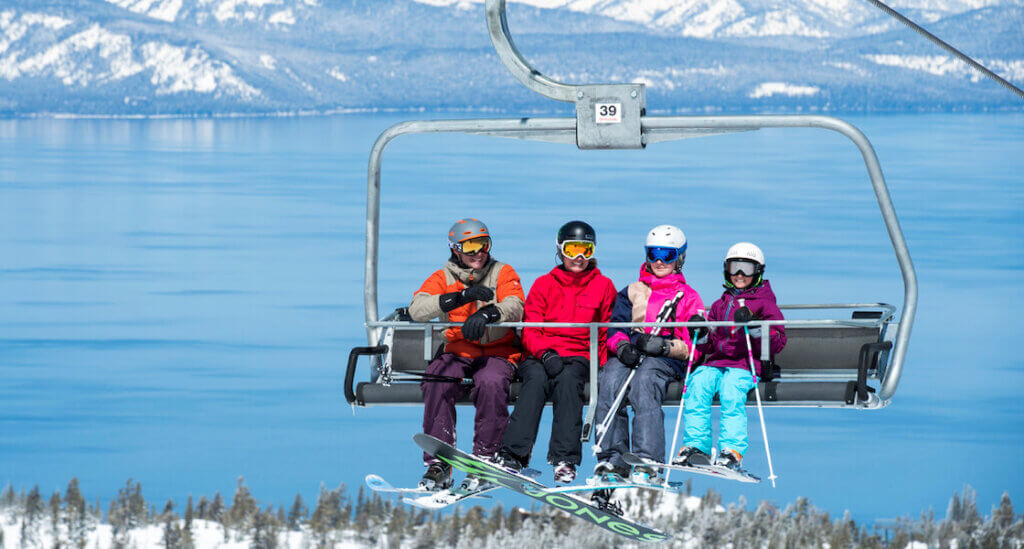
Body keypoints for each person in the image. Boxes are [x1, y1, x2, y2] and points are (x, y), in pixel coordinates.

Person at [494, 221, 617, 484]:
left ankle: (565, 459)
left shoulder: (603, 286)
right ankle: (513, 454)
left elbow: (605, 331)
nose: (579, 257)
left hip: (578, 355)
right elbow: (530, 329)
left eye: (586, 250)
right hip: (542, 353)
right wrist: (545, 354)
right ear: (561, 250)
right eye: (573, 250)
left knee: (569, 382)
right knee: (536, 380)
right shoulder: (544, 284)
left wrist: (602, 367)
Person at [409, 218, 525, 490]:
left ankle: (485, 458)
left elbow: (515, 303)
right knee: (438, 379)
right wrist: (457, 298)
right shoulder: (443, 278)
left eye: (483, 245)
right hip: (459, 350)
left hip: (498, 351)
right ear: (455, 249)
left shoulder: (502, 272)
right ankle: (440, 463)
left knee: (492, 383)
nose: (478, 253)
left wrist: (490, 313)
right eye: (470, 246)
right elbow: (417, 309)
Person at [593, 225, 705, 483]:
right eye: (654, 253)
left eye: (666, 255)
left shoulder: (687, 297)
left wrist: (665, 347)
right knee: (609, 379)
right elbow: (614, 327)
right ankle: (613, 459)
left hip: (664, 359)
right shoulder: (633, 290)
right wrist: (622, 347)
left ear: (679, 258)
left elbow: (694, 346)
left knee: (645, 381)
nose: (658, 261)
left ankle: (648, 461)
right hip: (632, 352)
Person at [674, 242, 786, 472]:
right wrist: (701, 334)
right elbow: (710, 345)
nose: (740, 275)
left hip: (746, 366)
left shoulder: (765, 303)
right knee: (697, 382)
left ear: (758, 271)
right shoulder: (719, 304)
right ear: (727, 269)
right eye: (735, 267)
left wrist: (755, 326)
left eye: (746, 268)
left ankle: (731, 451)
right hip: (717, 363)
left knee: (730, 389)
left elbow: (778, 340)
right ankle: (696, 447)